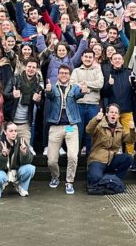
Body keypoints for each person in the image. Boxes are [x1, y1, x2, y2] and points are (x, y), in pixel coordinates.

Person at [45, 65, 87, 195]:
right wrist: (48, 90)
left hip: (70, 125)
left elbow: (78, 95)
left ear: (69, 75)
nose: (64, 75)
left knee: (73, 156)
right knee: (51, 160)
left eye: (66, 73)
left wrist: (83, 91)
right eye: (61, 73)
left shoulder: (74, 87)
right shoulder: (52, 86)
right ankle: (55, 176)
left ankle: (69, 181)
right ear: (58, 75)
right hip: (56, 126)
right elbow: (50, 96)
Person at [86, 104, 136, 187]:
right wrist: (96, 119)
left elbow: (130, 140)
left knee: (128, 158)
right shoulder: (100, 125)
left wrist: (132, 129)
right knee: (95, 178)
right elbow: (89, 130)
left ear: (118, 116)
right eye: (111, 112)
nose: (113, 114)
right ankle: (105, 179)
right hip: (98, 159)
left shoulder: (120, 128)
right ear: (107, 114)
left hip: (111, 159)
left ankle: (116, 180)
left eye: (116, 113)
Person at [0, 122, 35, 198]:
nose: (14, 133)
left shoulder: (21, 141)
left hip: (16, 171)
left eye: (15, 131)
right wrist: (3, 156)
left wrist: (24, 153)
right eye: (11, 131)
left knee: (30, 168)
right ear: (5, 132)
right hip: (3, 171)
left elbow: (28, 161)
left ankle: (21, 187)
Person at [71, 49, 104, 154]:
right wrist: (89, 87)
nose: (88, 59)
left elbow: (100, 84)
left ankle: (90, 158)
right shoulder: (76, 71)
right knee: (77, 131)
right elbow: (73, 85)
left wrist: (85, 84)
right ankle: (75, 157)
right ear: (82, 58)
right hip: (78, 105)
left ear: (93, 58)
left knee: (92, 132)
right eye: (86, 57)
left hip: (93, 106)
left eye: (90, 57)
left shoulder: (97, 70)